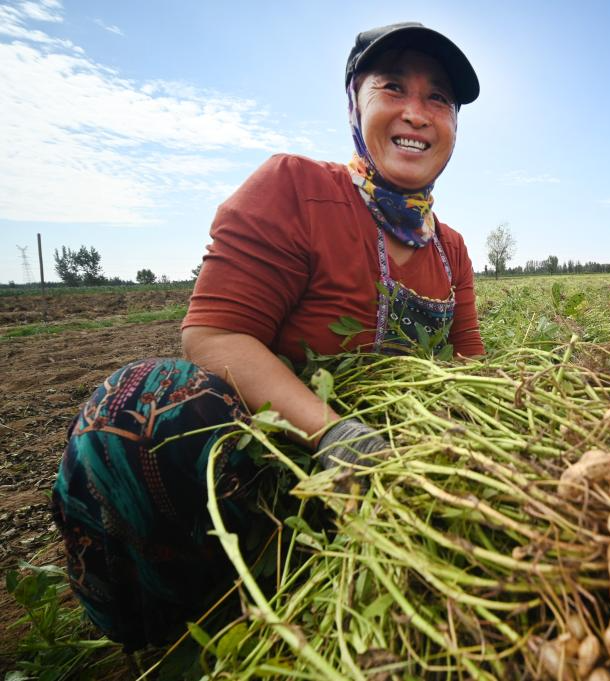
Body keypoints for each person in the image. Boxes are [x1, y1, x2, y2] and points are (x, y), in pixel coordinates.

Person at [49, 22, 484, 652]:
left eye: (438, 97)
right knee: (137, 406)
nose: (417, 113)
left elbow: (471, 368)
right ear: (355, 103)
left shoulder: (451, 250)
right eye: (393, 87)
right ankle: (173, 626)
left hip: (400, 470)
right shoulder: (296, 188)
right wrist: (332, 433)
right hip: (274, 466)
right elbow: (215, 335)